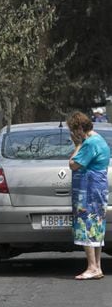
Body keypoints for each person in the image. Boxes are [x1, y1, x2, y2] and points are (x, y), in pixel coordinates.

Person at [67, 111, 110, 280]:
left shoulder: (89, 143)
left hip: (89, 191)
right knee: (96, 226)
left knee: (86, 225)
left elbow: (73, 164)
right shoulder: (99, 140)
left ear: (79, 129)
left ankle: (92, 267)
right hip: (98, 189)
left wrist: (77, 144)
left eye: (73, 129)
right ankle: (97, 266)